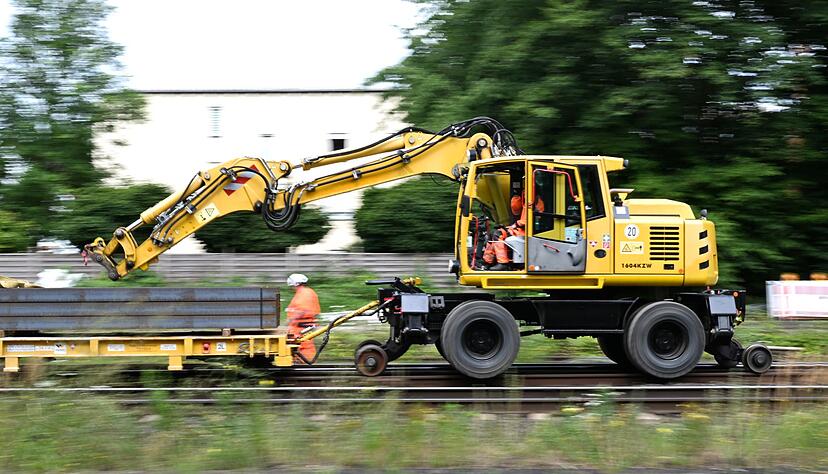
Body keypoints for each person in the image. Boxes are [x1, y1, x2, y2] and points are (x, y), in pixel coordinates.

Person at [482, 188, 544, 270]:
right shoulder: (527, 201)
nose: (524, 193)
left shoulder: (536, 202)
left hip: (529, 231)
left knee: (498, 234)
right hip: (522, 229)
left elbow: (532, 220)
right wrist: (517, 196)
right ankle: (487, 262)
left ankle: (503, 263)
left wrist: (514, 226)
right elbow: (515, 210)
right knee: (492, 234)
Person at [285, 273, 320, 362]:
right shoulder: (306, 292)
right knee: (300, 344)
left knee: (303, 345)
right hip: (302, 324)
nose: (291, 288)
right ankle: (302, 362)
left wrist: (291, 319)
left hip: (302, 325)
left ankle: (305, 363)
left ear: (295, 283)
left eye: (291, 286)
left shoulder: (304, 293)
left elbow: (303, 310)